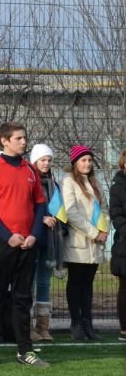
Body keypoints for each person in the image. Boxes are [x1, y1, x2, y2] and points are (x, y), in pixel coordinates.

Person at [0, 122, 49, 368]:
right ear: (4, 141)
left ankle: (24, 351)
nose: (23, 142)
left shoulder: (30, 169)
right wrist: (8, 235)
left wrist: (34, 234)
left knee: (23, 298)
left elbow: (40, 205)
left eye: (24, 138)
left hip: (27, 245)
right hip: (3, 244)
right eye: (18, 138)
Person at [61, 145, 109, 341]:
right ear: (75, 163)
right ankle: (76, 323)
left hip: (95, 244)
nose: (87, 164)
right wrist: (93, 232)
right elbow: (71, 212)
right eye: (83, 160)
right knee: (76, 283)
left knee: (88, 285)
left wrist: (104, 229)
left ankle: (88, 322)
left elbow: (103, 208)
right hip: (78, 243)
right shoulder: (69, 182)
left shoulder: (94, 183)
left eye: (89, 160)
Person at [28, 143, 63, 341]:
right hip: (34, 238)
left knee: (43, 283)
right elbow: (25, 207)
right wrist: (41, 218)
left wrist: (60, 220)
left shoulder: (54, 184)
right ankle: (29, 326)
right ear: (34, 161)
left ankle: (43, 327)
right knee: (30, 283)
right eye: (43, 159)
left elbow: (60, 208)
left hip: (50, 242)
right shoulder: (28, 181)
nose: (46, 163)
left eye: (49, 160)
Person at [108, 149, 126, 342]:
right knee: (125, 287)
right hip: (124, 245)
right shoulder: (117, 187)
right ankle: (124, 329)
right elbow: (117, 215)